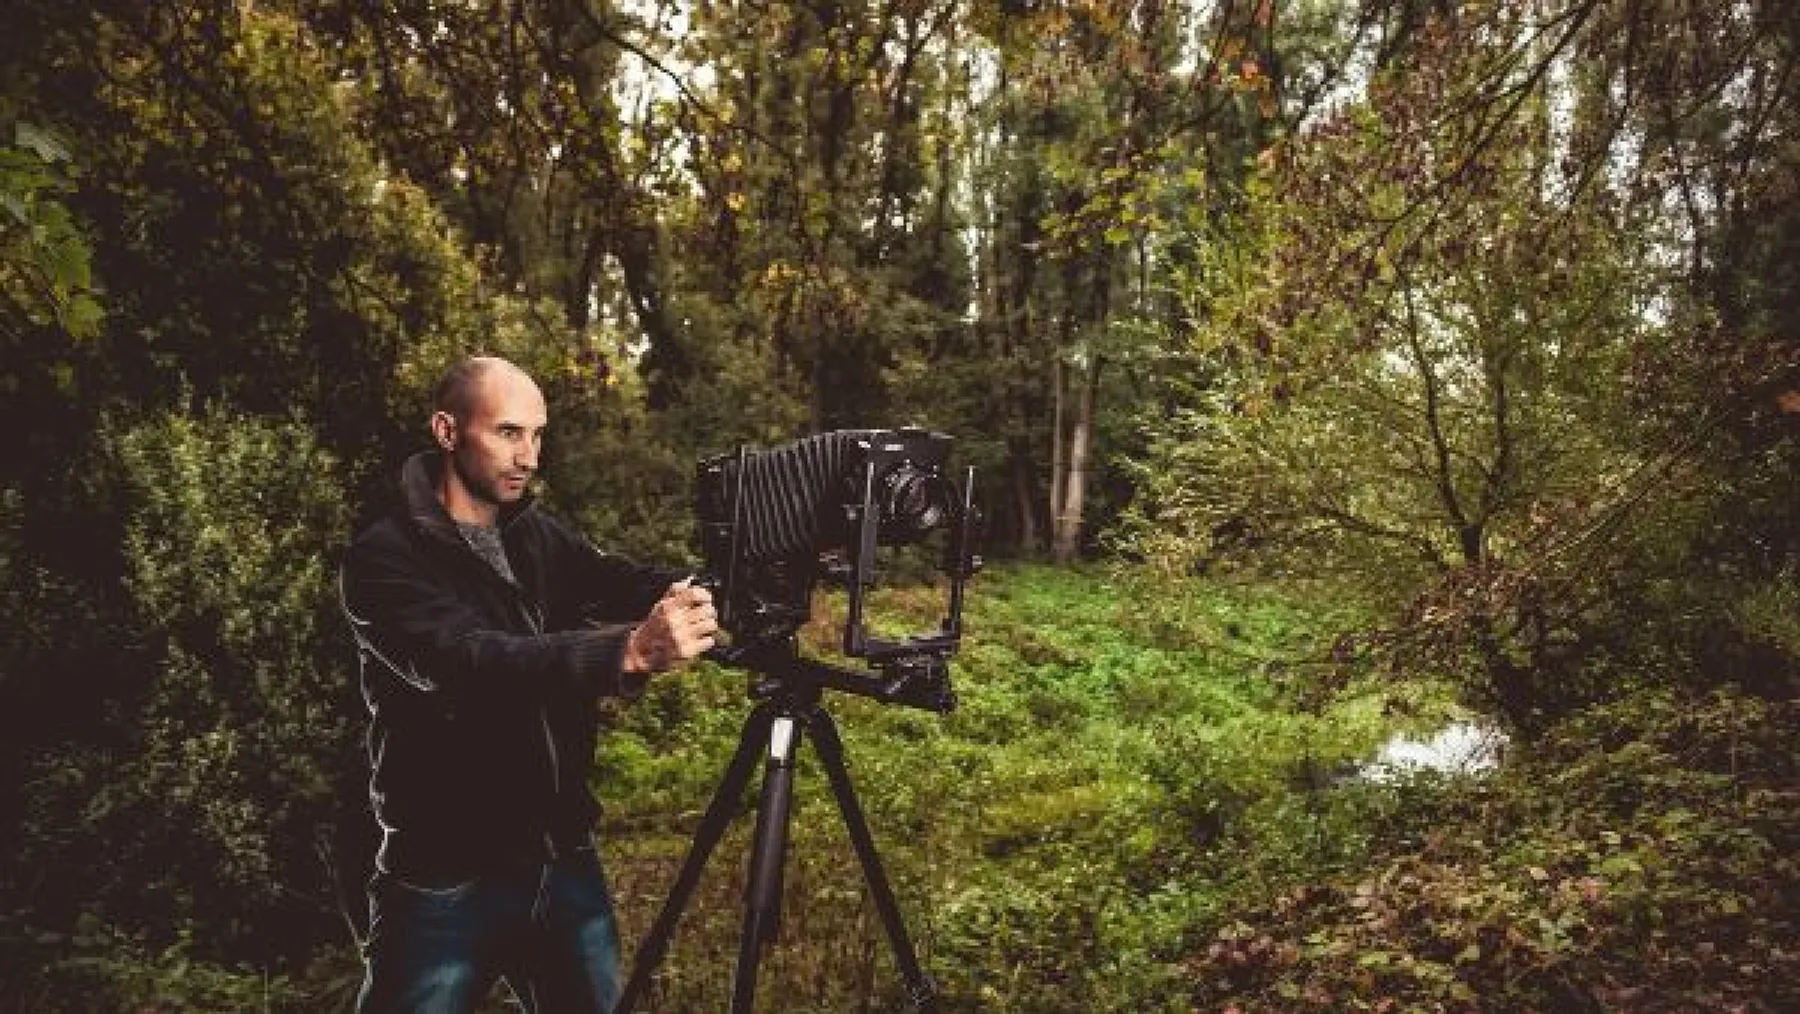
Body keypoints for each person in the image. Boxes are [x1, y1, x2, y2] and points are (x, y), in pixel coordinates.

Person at [339, 355, 717, 1013]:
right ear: (447, 431)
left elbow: (620, 580)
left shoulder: (534, 535)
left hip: (563, 863)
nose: (529, 457)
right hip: (446, 881)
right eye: (509, 433)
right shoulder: (383, 558)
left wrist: (722, 585)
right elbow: (474, 662)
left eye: (538, 436)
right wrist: (626, 652)